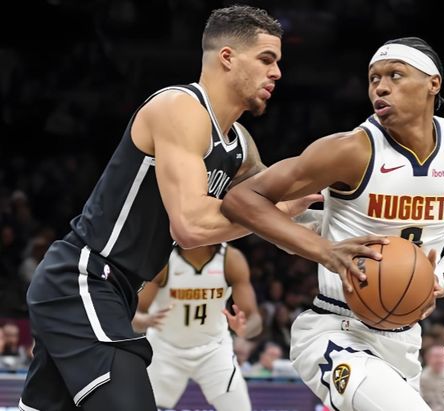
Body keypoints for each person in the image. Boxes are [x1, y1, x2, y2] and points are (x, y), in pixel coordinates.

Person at [18, 6, 320, 411]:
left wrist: (346, 231)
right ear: (227, 57)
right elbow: (191, 225)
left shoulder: (240, 144)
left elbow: (280, 214)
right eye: (267, 59)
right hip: (83, 277)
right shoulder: (180, 108)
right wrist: (272, 215)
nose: (277, 72)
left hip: (116, 290)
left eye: (278, 62)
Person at [222, 36, 444, 411]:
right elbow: (241, 198)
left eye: (395, 75)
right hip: (335, 330)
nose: (381, 87)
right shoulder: (351, 150)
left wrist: (435, 278)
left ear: (433, 83)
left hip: (404, 341)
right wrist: (325, 250)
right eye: (374, 78)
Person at [132, 243, 260, 410]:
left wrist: (244, 329)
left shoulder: (230, 259)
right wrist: (145, 321)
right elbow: (135, 314)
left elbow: (254, 319)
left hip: (214, 348)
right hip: (165, 349)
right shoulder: (163, 258)